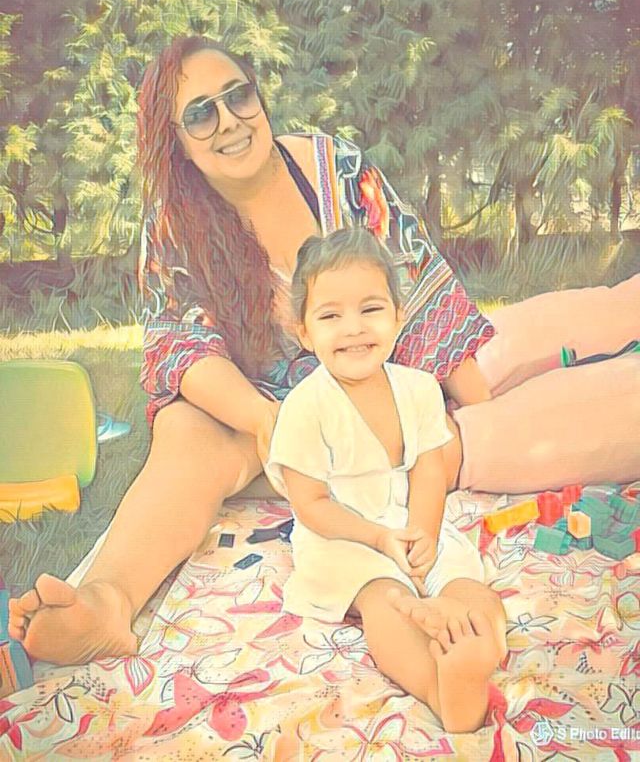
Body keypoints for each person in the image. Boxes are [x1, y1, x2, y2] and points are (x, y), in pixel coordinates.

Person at [7, 35, 639, 667]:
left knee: (482, 398)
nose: (228, 121)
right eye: (200, 113)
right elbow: (182, 348)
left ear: (259, 98)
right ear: (175, 141)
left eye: (237, 96)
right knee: (182, 426)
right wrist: (267, 422)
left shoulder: (333, 168)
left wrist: (482, 407)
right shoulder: (173, 223)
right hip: (265, 422)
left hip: (376, 391)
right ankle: (105, 604)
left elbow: (416, 287)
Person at [266, 228, 507, 733]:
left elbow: (429, 470)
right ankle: (440, 688)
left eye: (370, 309)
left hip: (412, 522)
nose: (353, 328)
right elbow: (311, 504)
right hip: (343, 536)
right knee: (384, 599)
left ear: (398, 316)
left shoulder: (419, 389)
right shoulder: (305, 407)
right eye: (330, 316)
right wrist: (380, 540)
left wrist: (423, 537)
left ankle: (474, 647)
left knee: (470, 585)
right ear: (304, 332)